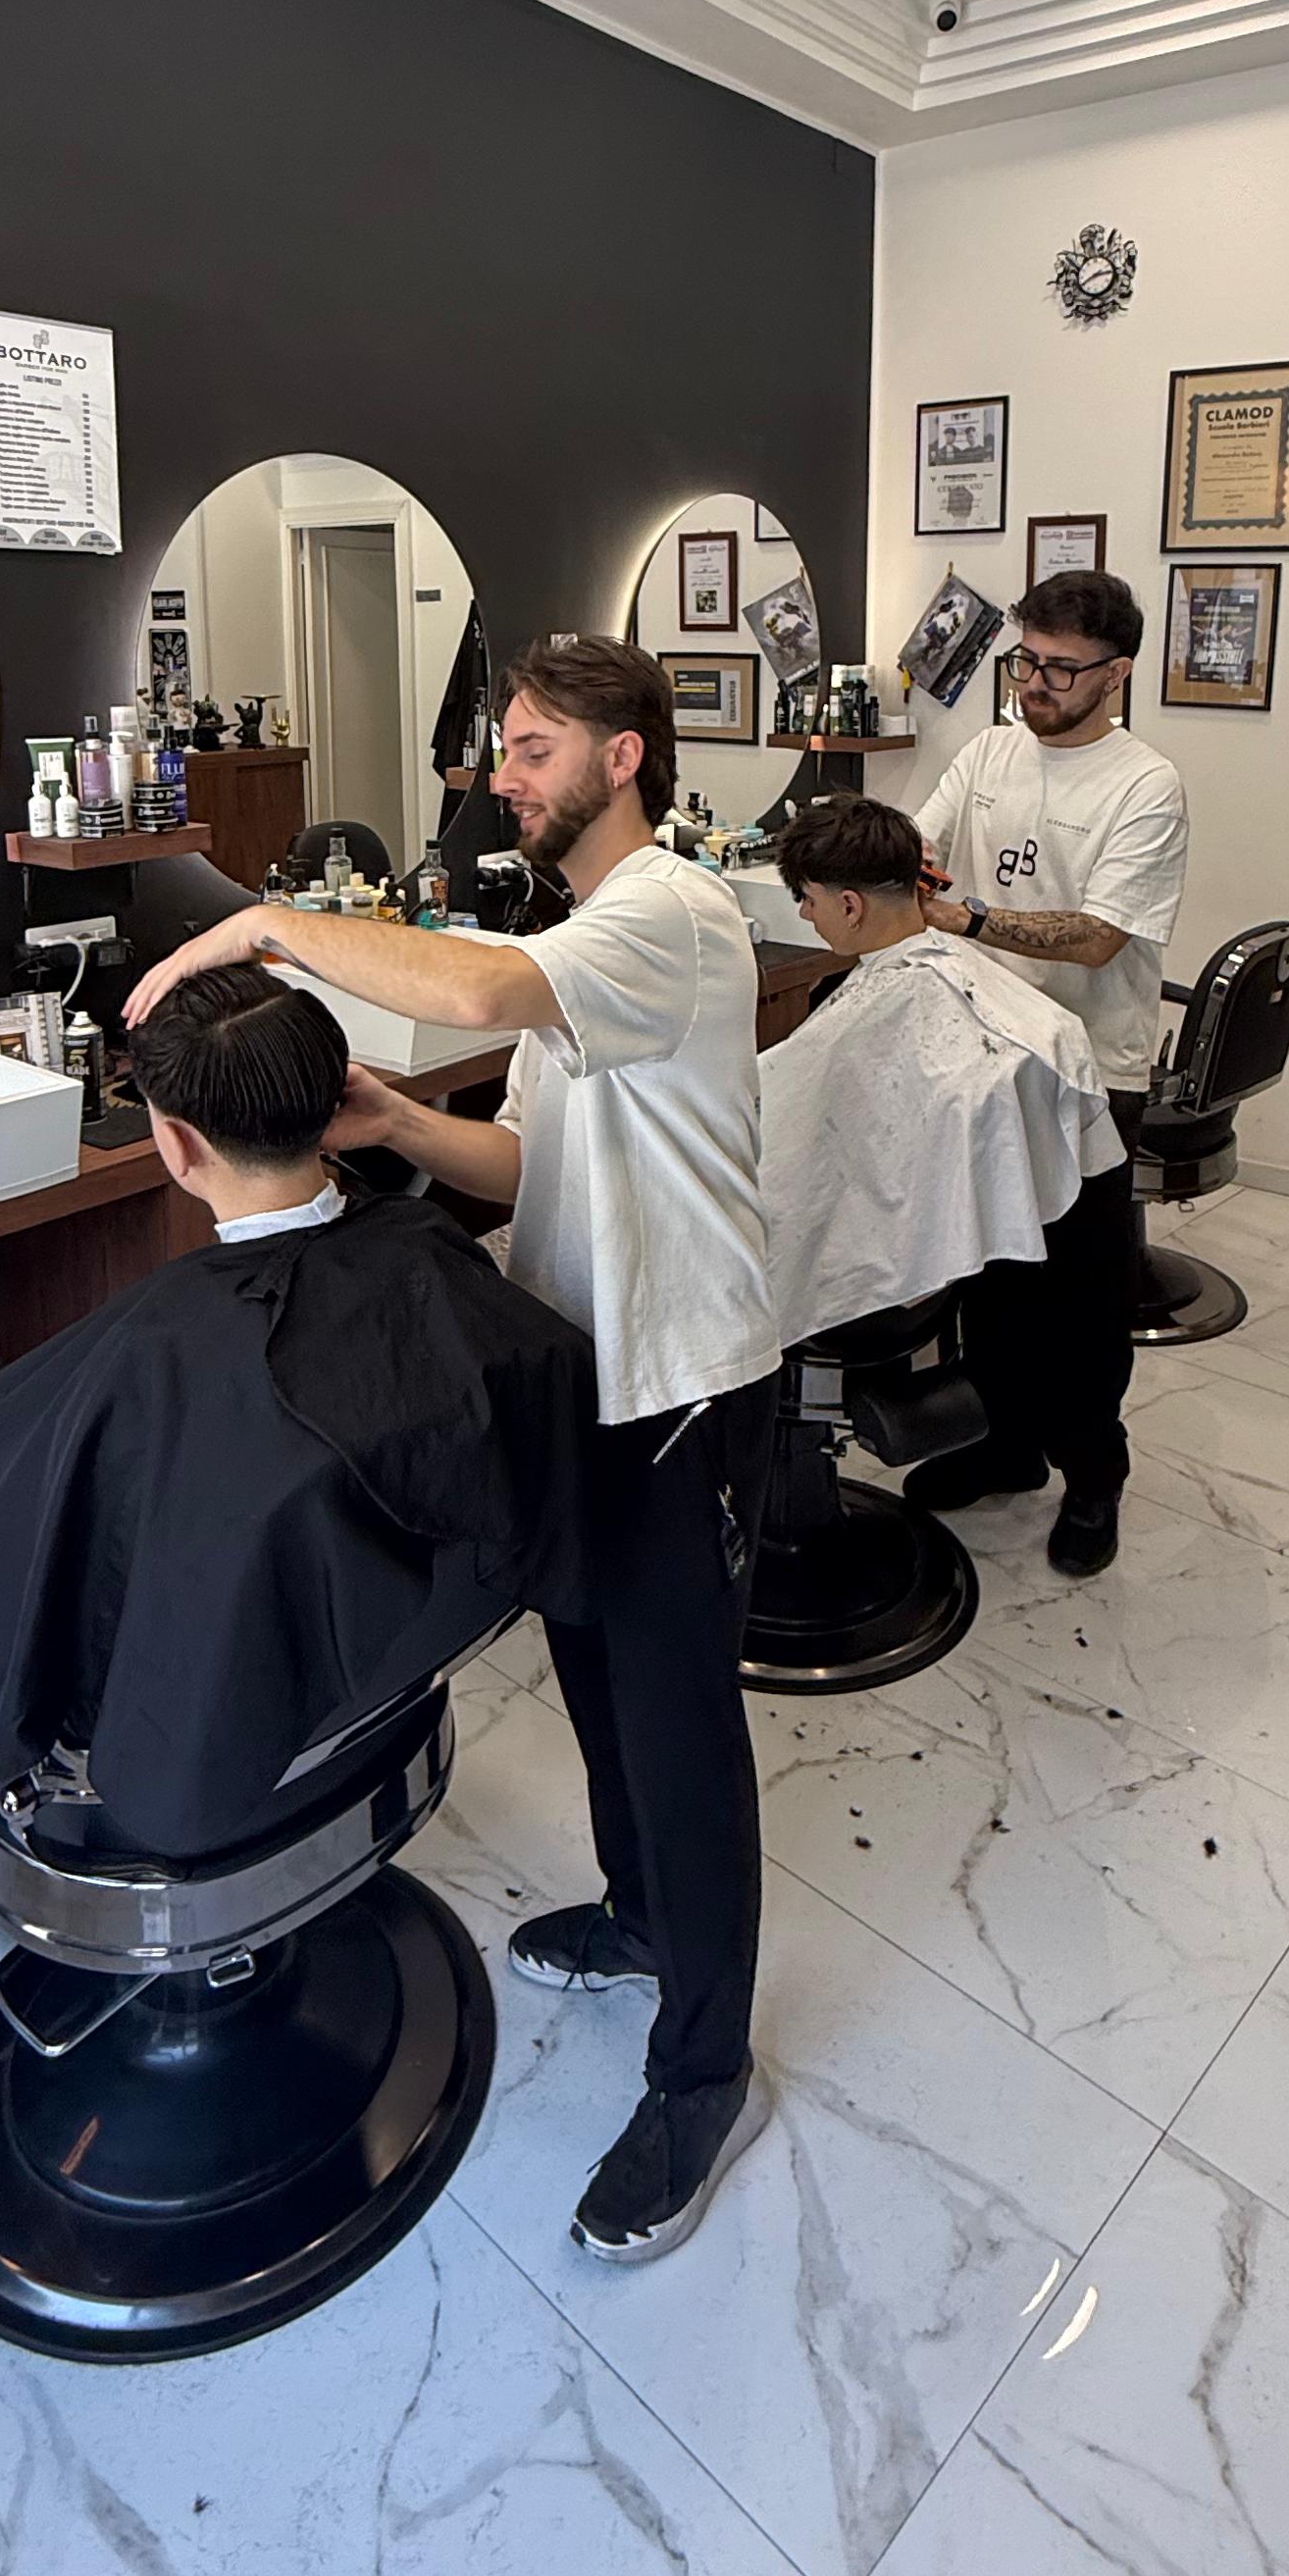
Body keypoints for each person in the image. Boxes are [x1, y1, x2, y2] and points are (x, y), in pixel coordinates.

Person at [128, 633, 780, 2267]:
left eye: (535, 746)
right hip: (579, 1365)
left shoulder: (670, 912)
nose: (503, 772)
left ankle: (703, 2069)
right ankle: (640, 1913)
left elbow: (477, 992)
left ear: (624, 758)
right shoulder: (589, 945)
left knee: (679, 1727)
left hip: (680, 1383)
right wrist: (401, 1125)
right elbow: (535, 1160)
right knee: (593, 1673)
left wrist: (266, 922)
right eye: (504, 744)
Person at [0, 966, 604, 1849]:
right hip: (397, 1664)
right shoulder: (426, 1246)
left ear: (177, 1144)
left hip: (222, 1750)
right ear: (333, 1104)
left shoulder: (163, 1342)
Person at [907, 568, 1189, 1574]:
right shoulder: (987, 753)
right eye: (1025, 660)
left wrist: (968, 915)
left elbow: (1101, 937)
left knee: (1079, 1292)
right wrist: (893, 866)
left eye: (1062, 668)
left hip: (1091, 1073)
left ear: (1116, 674)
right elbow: (921, 841)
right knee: (989, 1271)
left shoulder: (1143, 786)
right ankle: (1004, 1445)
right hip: (980, 1054)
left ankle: (1093, 1475)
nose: (1035, 683)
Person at [763, 796, 1127, 1437]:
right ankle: (1015, 1452)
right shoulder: (1027, 1016)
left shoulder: (880, 1017)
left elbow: (790, 1152)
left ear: (850, 906)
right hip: (998, 1262)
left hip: (901, 1291)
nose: (803, 915)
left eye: (807, 899)